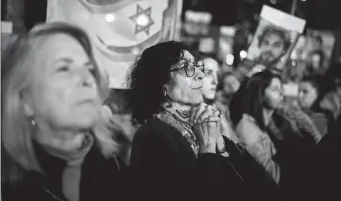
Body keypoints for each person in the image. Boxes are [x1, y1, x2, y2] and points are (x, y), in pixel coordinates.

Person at [127, 41, 279, 201]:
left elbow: (266, 187)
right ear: (162, 83)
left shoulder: (200, 126)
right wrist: (207, 149)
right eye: (186, 68)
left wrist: (222, 145)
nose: (200, 74)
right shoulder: (151, 136)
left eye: (197, 66)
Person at [1, 22, 128, 201]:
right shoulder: (9, 185)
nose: (87, 80)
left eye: (90, 69)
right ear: (25, 101)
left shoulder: (118, 163)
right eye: (64, 68)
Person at [230, 70, 316, 190]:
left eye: (281, 88)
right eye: (275, 89)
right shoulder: (247, 127)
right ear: (260, 93)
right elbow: (268, 173)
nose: (282, 93)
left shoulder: (275, 122)